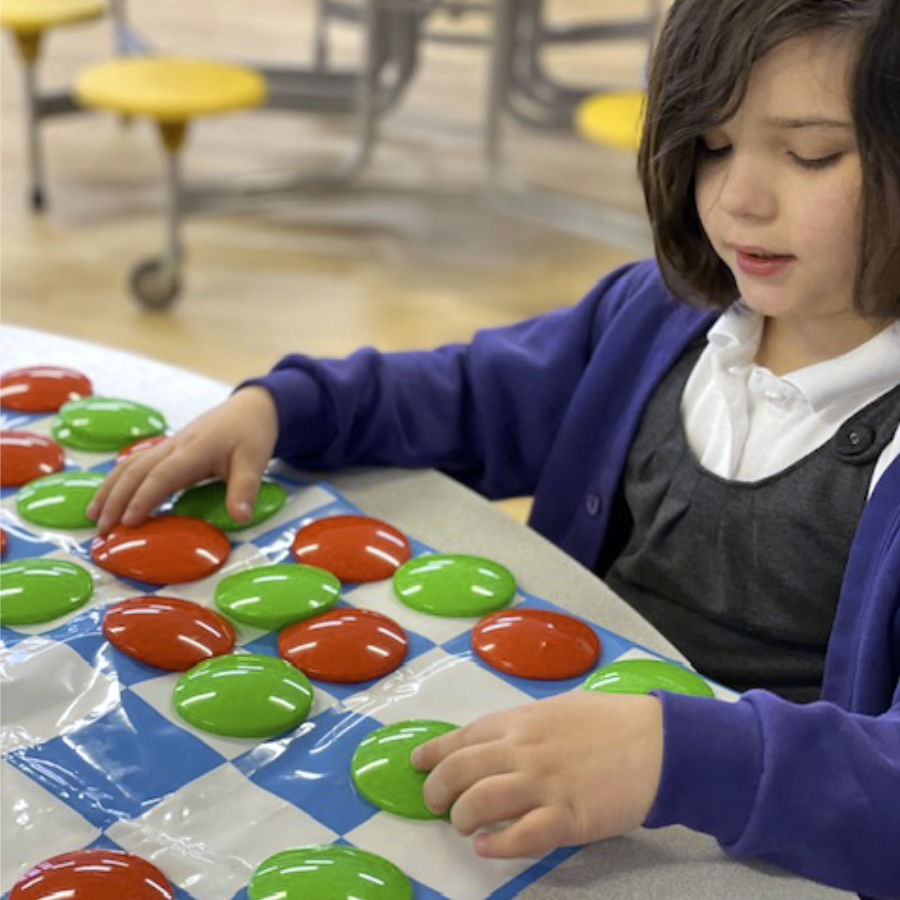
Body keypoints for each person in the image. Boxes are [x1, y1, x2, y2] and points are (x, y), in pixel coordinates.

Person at [87, 0, 900, 895]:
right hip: (556, 784)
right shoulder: (657, 316)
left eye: (811, 153)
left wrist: (683, 758)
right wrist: (287, 406)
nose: (738, 196)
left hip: (760, 846)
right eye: (711, 143)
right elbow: (473, 394)